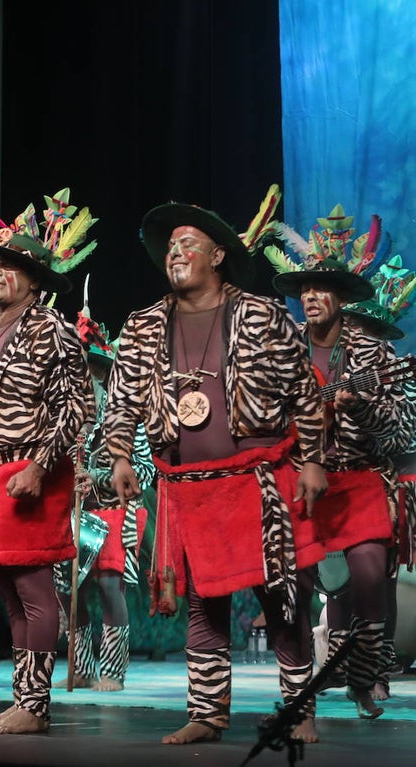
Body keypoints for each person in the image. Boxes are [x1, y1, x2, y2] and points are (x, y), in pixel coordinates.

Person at [104, 193, 328, 746]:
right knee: (204, 597)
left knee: (283, 595)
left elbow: (304, 393)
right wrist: (117, 455)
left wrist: (315, 460)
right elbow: (124, 396)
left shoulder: (259, 313)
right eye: (170, 247)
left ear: (218, 255)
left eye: (189, 245)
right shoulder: (144, 324)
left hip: (259, 479)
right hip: (188, 488)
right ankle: (207, 713)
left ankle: (299, 709)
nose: (175, 253)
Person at [0, 192, 97, 735]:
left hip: (29, 471)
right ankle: (24, 697)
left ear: (35, 282)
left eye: (12, 267)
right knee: (8, 592)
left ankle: (34, 705)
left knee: (33, 589)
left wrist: (41, 466)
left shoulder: (50, 330)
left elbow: (78, 406)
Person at [264, 208, 406, 718]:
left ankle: (364, 677)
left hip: (360, 478)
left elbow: (401, 428)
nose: (310, 297)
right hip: (299, 483)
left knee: (370, 579)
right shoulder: (281, 349)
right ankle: (299, 686)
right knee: (294, 588)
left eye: (322, 289)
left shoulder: (375, 353)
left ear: (342, 298)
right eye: (304, 289)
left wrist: (361, 407)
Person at [64, 304, 156, 692]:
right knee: (72, 590)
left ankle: (113, 671)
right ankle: (81, 666)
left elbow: (146, 470)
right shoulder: (68, 421)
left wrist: (99, 477)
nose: (87, 384)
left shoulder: (124, 421)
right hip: (73, 513)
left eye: (93, 377)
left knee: (107, 586)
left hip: (115, 511)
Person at [342, 253, 416, 700]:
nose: (360, 336)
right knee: (335, 587)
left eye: (369, 331)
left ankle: (378, 667)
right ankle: (338, 665)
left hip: (389, 481)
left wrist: (365, 409)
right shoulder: (326, 362)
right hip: (329, 481)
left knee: (379, 580)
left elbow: (404, 432)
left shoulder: (396, 372)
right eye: (355, 327)